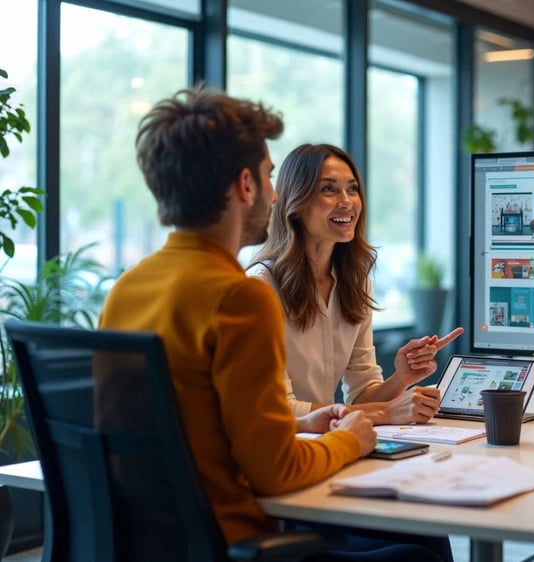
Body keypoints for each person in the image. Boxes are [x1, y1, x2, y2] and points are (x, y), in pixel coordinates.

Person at [100, 86, 445, 561]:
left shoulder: (127, 288)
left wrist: (308, 420)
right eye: (268, 176)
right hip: (236, 540)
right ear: (245, 186)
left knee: (421, 537)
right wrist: (350, 437)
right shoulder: (242, 295)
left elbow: (209, 423)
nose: (274, 191)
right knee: (421, 555)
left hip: (153, 538)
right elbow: (276, 470)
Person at [247, 143, 463, 425]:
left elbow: (362, 394)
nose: (347, 201)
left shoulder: (355, 283)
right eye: (328, 189)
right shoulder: (261, 288)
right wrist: (387, 413)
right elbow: (279, 408)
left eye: (352, 189)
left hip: (329, 443)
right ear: (296, 205)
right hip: (283, 447)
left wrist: (402, 378)